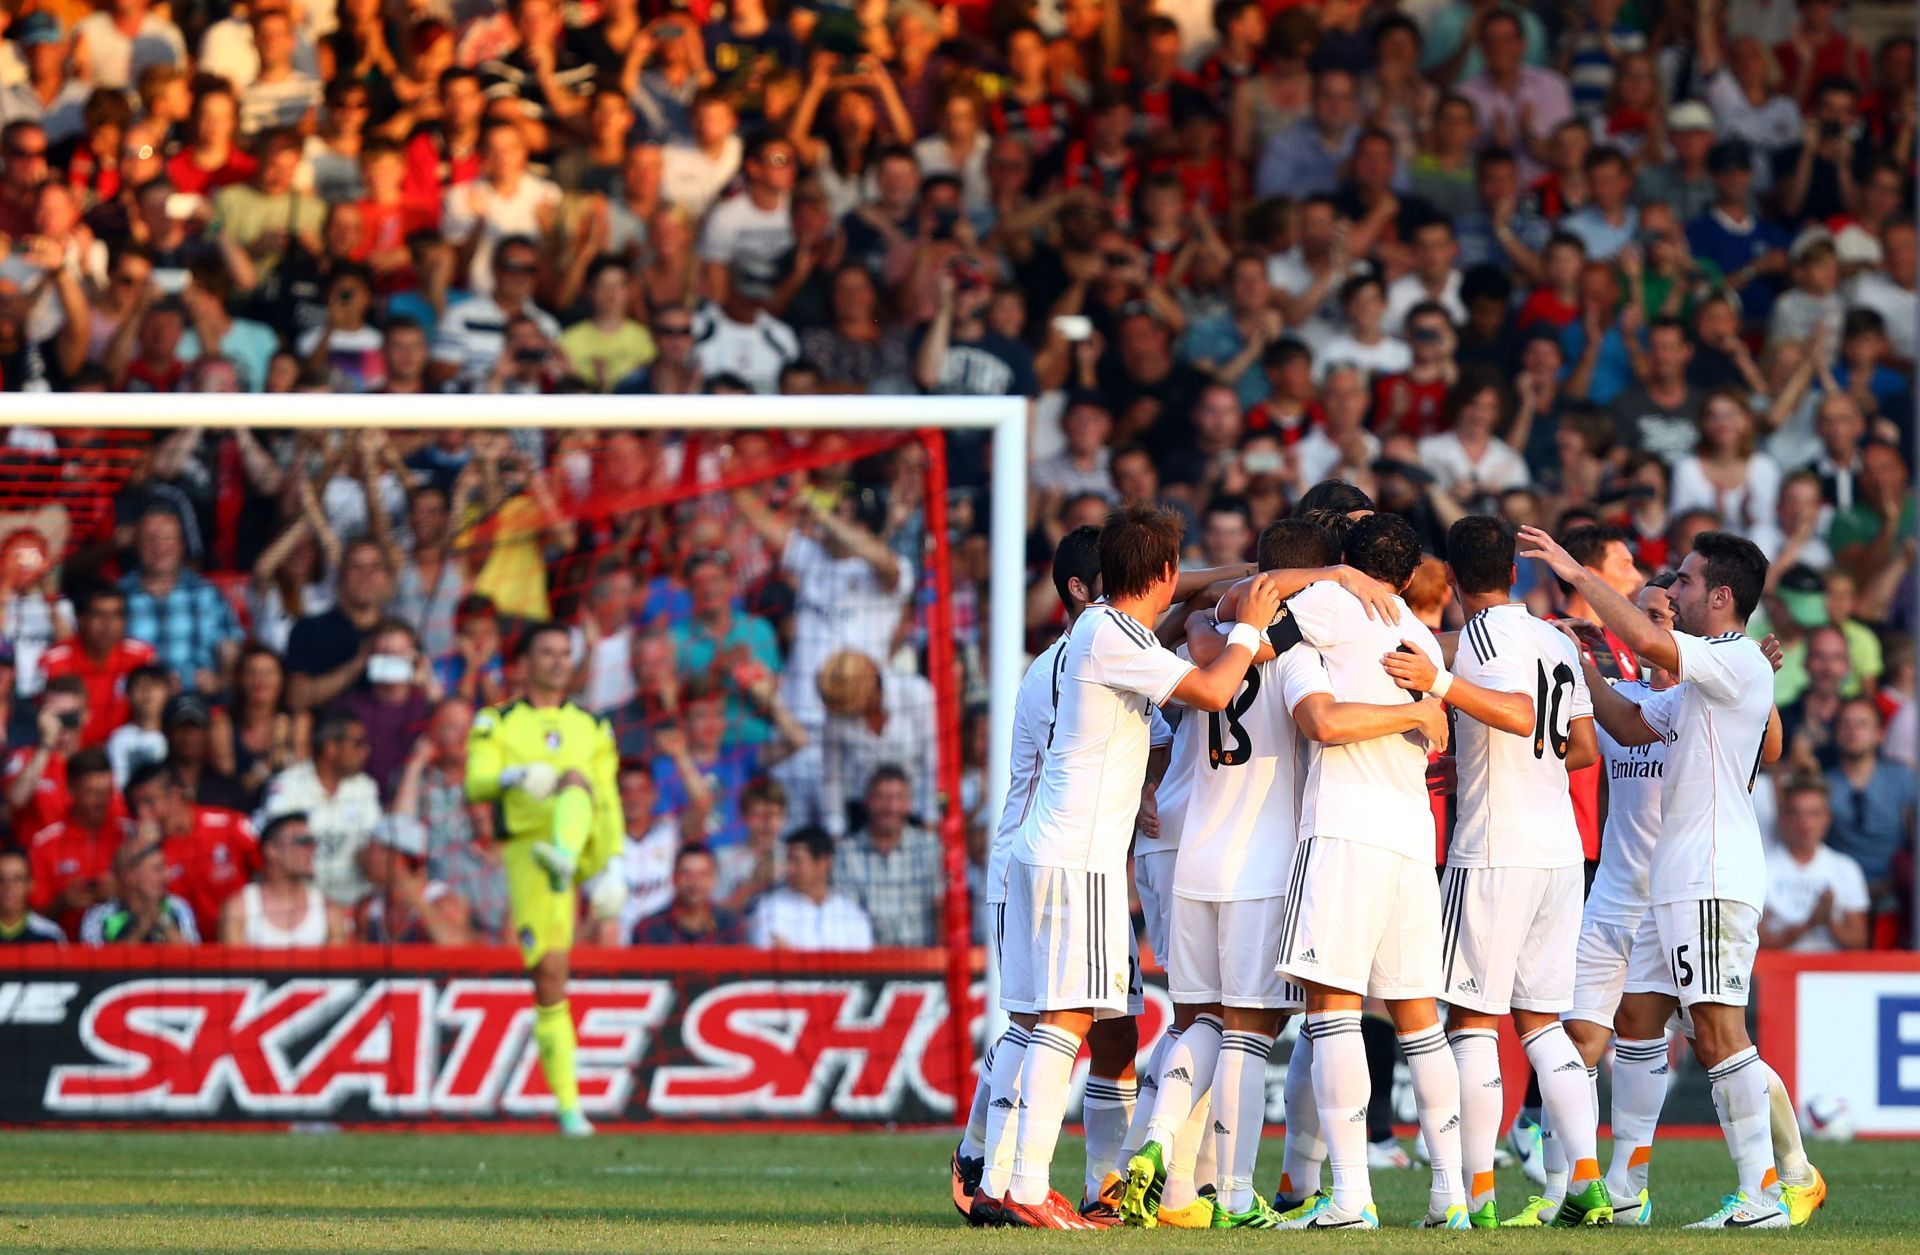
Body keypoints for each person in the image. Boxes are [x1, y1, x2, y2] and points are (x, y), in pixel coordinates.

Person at [975, 504, 1294, 1231]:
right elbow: (1214, 691)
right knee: (1066, 1021)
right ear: (1164, 573)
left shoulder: (1099, 631)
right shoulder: (1113, 636)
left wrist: (1247, 583)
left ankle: (999, 1178)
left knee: (1037, 1023)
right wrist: (1250, 626)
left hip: (1043, 849)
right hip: (1077, 859)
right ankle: (1026, 1186)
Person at [1521, 525, 1795, 1228]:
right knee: (1638, 1017)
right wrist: (1578, 665)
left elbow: (1648, 645)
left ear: (1722, 596)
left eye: (1686, 581)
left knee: (1715, 1032)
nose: (1674, 591)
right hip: (1674, 879)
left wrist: (1575, 575)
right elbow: (1629, 718)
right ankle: (1627, 1182)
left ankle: (1763, 1191)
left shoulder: (1737, 664)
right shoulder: (1705, 682)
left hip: (1710, 872)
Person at [1378, 516, 1606, 1227]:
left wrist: (1444, 684)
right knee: (1542, 1024)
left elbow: (1514, 709)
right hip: (1559, 852)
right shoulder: (1551, 635)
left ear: (1451, 575)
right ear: (1514, 570)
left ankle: (1474, 1196)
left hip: (1496, 850)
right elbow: (1582, 747)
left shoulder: (1475, 639)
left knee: (1473, 1022)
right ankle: (1588, 1184)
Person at [465, 622, 621, 1137]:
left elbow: (610, 800)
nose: (557, 661)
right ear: (524, 663)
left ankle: (570, 854)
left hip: (578, 847)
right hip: (529, 851)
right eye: (546, 652)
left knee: (579, 787)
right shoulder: (497, 720)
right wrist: (512, 776)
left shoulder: (593, 726)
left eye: (564, 652)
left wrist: (609, 863)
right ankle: (570, 1109)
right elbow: (475, 783)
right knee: (550, 973)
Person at [260, 709, 383, 910]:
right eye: (357, 743)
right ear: (331, 747)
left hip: (357, 903)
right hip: (301, 903)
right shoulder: (287, 786)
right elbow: (278, 850)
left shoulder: (365, 786)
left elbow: (373, 844)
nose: (366, 750)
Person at [118, 505, 242, 696]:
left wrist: (220, 680)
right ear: (137, 545)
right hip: (139, 706)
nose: (159, 547)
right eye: (150, 539)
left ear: (180, 544)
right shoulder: (119, 596)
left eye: (168, 539)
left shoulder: (206, 592)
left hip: (201, 701)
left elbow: (231, 648)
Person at [831, 764, 942, 947]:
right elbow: (845, 915)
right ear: (867, 801)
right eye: (881, 797)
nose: (890, 807)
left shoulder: (930, 847)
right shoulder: (846, 852)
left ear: (909, 804)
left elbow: (942, 908)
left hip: (924, 964)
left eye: (898, 797)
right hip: (866, 963)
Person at [1762, 776, 1869, 952]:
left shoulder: (1846, 868)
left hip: (1830, 973)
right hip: (1775, 971)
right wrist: (1811, 922)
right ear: (1781, 817)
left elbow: (1859, 941)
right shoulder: (1762, 867)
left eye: (1814, 814)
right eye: (1796, 813)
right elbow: (1755, 941)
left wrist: (1828, 921)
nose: (1805, 823)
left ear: (1827, 818)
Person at [39, 585, 155, 749]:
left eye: (116, 615)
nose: (108, 624)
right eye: (99, 615)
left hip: (125, 750)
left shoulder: (140, 656)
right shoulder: (56, 659)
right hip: (70, 753)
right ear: (81, 619)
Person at [220, 810, 347, 945]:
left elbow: (338, 965)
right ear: (272, 850)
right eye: (302, 841)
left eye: (312, 841)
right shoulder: (239, 909)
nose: (312, 848)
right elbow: (234, 966)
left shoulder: (329, 911)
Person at [746, 825, 874, 950]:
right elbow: (772, 958)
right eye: (788, 860)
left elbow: (861, 966)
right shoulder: (770, 908)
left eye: (796, 860)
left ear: (824, 862)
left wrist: (792, 953)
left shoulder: (851, 914)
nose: (789, 869)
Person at [79, 837, 198, 943]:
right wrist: (141, 929)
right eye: (157, 869)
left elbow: (194, 960)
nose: (166, 876)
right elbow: (98, 965)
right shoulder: (99, 917)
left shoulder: (177, 907)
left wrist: (162, 921)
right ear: (130, 876)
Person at [633, 843, 745, 944]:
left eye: (703, 874)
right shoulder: (648, 929)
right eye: (687, 874)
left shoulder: (729, 925)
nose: (695, 883)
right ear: (674, 878)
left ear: (713, 879)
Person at [0, 847, 64, 943]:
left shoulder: (50, 934)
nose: (8, 887)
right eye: (1, 879)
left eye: (17, 879)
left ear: (30, 884)